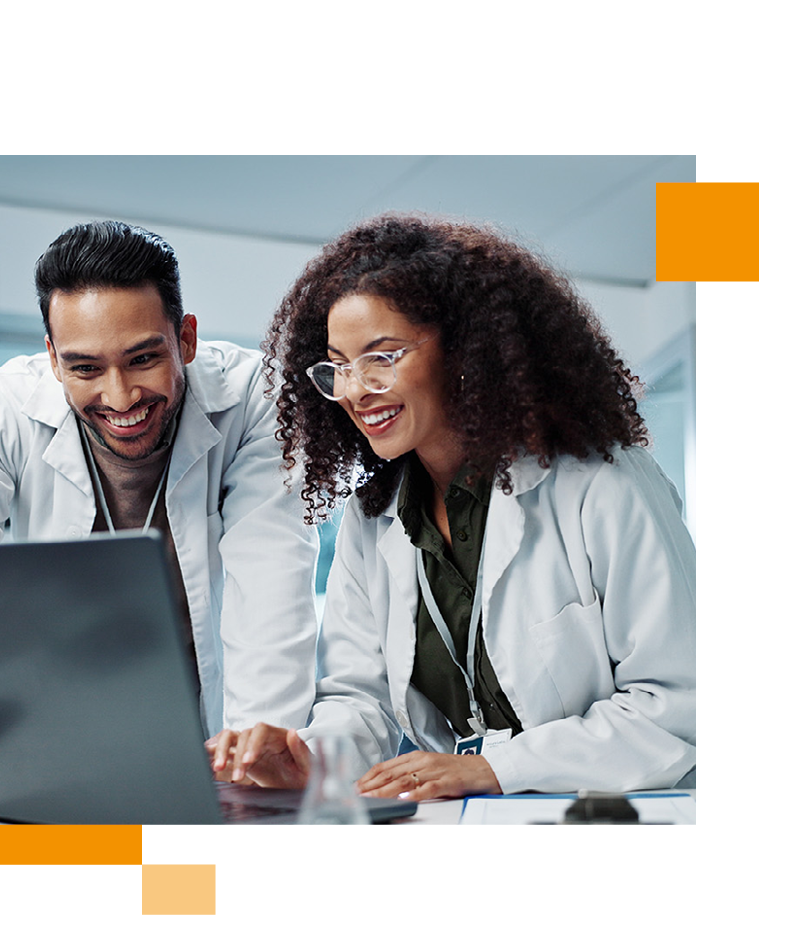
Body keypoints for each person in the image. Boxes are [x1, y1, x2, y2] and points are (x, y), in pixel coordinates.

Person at [208, 213, 695, 800]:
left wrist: (496, 768)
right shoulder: (375, 518)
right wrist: (308, 761)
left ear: (466, 349)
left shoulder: (602, 485)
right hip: (473, 822)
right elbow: (360, 701)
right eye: (338, 366)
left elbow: (678, 705)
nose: (356, 390)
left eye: (382, 357)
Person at [0, 220, 319, 789]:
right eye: (85, 368)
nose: (120, 396)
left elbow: (272, 573)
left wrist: (258, 746)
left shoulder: (253, 401)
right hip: (62, 741)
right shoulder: (0, 408)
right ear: (54, 360)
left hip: (210, 726)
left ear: (185, 338)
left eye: (142, 359)